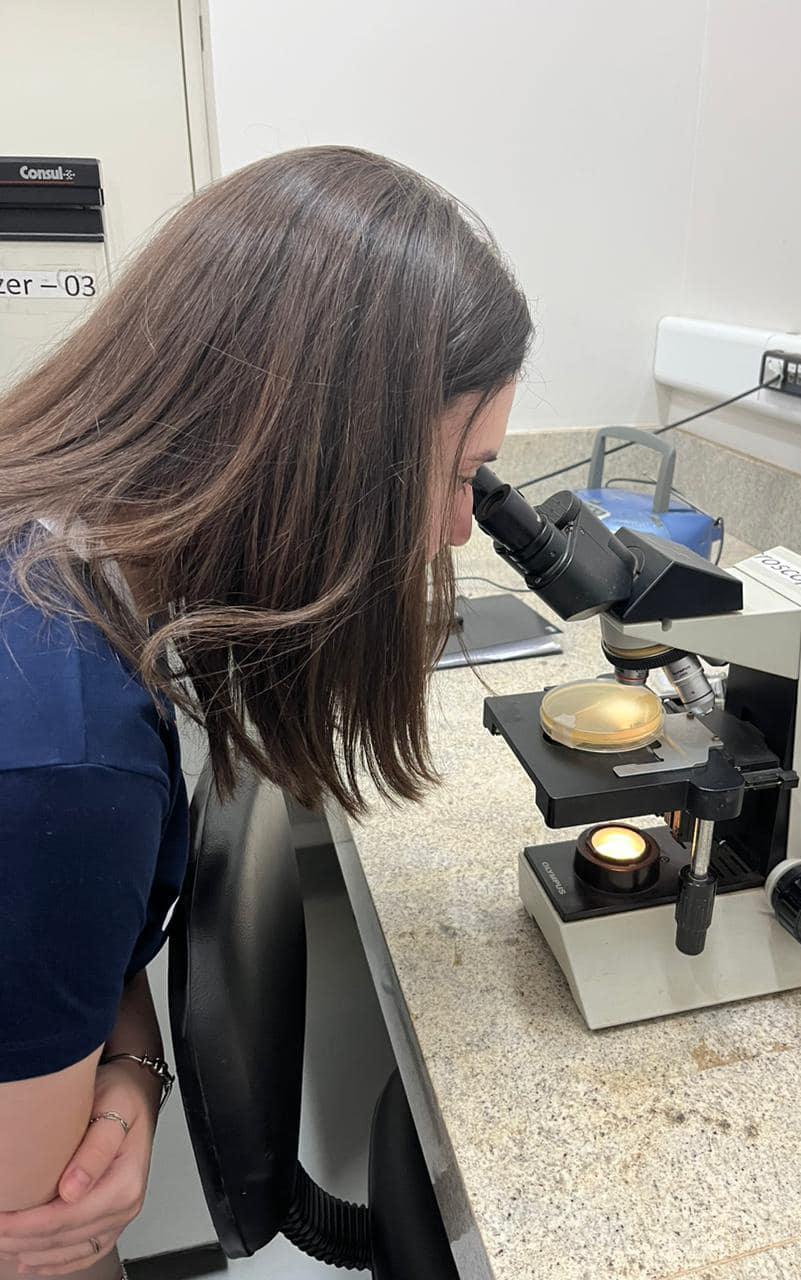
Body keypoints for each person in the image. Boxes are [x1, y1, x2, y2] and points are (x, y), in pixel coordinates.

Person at [0, 146, 531, 1278]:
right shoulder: (65, 745)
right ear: (330, 457)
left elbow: (60, 938)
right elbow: (50, 1231)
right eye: (454, 474)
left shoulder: (63, 552)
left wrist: (134, 1069)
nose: (458, 532)